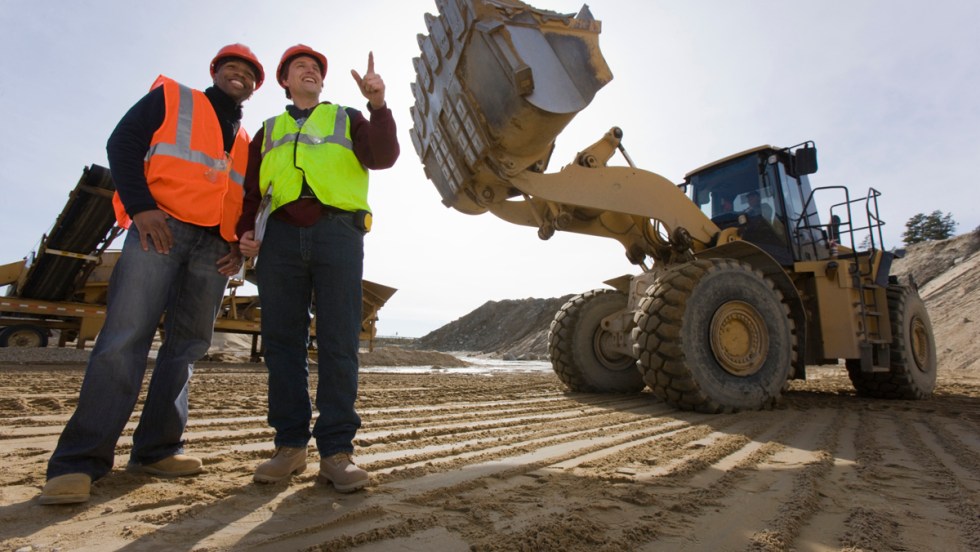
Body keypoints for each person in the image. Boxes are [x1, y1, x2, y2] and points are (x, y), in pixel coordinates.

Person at [40, 44, 264, 505]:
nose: (239, 75)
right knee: (124, 340)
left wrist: (235, 249)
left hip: (213, 249)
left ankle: (157, 450)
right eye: (231, 67)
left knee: (186, 348)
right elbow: (122, 144)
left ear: (254, 87)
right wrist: (141, 208)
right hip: (159, 229)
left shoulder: (245, 139)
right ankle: (78, 463)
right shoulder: (174, 98)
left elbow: (246, 200)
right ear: (215, 72)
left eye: (248, 73)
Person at [236, 44, 399, 492]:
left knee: (339, 341)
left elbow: (383, 156)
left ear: (322, 82)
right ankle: (290, 447)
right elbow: (251, 192)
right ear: (285, 81)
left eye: (316, 67)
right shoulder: (268, 131)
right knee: (282, 345)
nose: (309, 70)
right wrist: (244, 232)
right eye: (300, 66)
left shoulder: (348, 117)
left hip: (337, 233)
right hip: (279, 239)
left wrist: (378, 104)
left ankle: (336, 452)